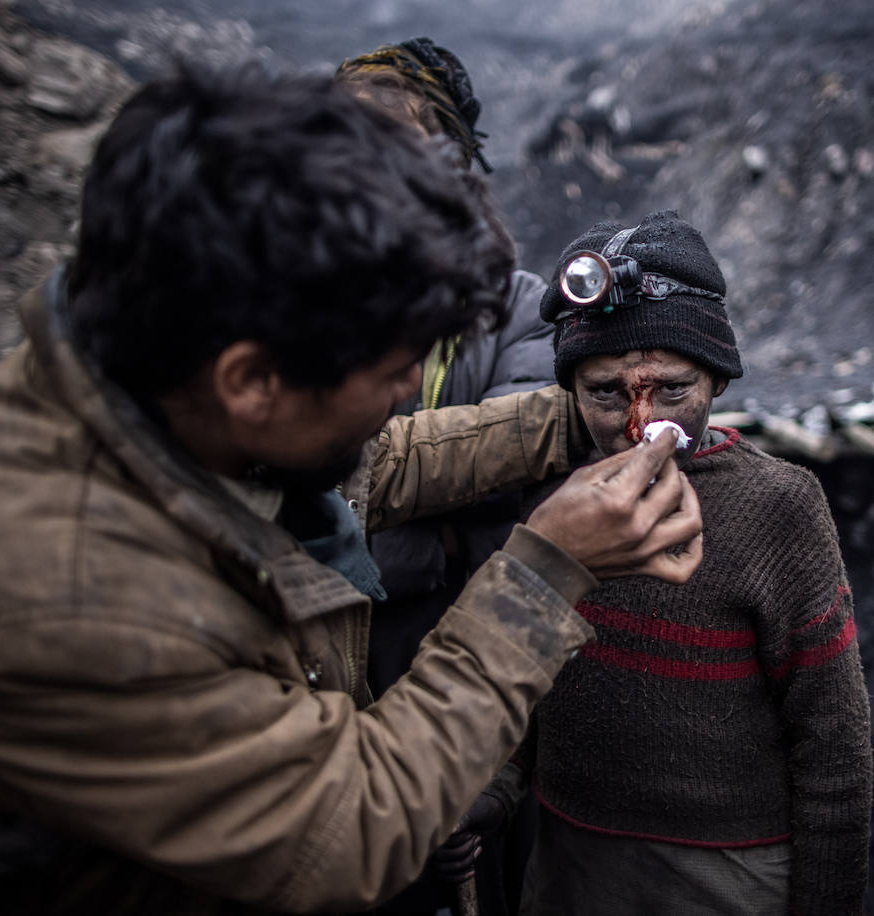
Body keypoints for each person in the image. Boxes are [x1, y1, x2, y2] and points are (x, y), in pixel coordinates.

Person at [0, 61, 705, 915]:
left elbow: (373, 465)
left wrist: (578, 416)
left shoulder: (159, 386)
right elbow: (347, 825)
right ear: (254, 381)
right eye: (393, 371)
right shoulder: (70, 601)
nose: (402, 396)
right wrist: (541, 578)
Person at [464, 210, 873, 916]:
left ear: (716, 379)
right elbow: (523, 680)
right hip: (569, 865)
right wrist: (489, 792)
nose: (637, 425)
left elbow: (833, 744)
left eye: (672, 389)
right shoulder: (555, 498)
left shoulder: (780, 507)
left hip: (727, 882)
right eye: (603, 393)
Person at [334, 37, 555, 916]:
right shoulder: (288, 300)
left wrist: (362, 518)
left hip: (465, 668)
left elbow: (527, 461)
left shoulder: (522, 303)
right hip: (319, 691)